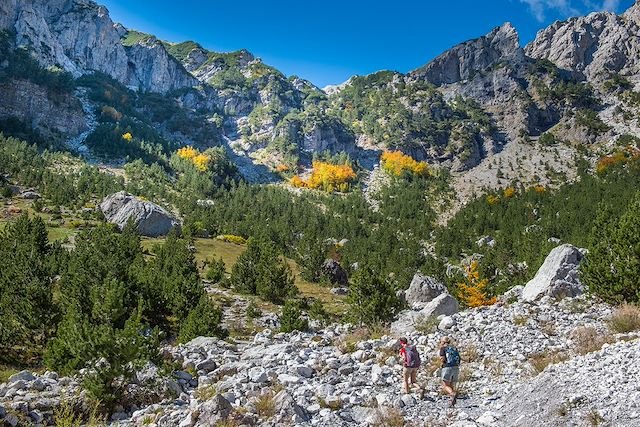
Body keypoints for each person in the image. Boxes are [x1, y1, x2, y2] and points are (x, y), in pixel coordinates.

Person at [438, 336, 460, 407]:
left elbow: (443, 359)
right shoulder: (454, 348)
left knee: (445, 385)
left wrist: (441, 364)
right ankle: (451, 401)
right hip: (456, 367)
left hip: (447, 367)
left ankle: (452, 394)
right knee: (451, 384)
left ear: (443, 342)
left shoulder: (443, 348)